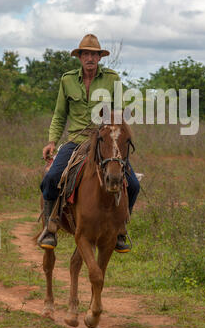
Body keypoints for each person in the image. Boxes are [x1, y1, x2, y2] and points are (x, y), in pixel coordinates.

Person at [39, 34, 140, 252]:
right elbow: (59, 115)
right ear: (80, 57)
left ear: (100, 58)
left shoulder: (112, 79)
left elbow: (118, 114)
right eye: (85, 54)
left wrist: (113, 135)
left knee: (133, 184)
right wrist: (52, 141)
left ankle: (121, 229)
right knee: (51, 178)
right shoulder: (67, 80)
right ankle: (50, 226)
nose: (90, 58)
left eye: (94, 54)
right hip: (76, 140)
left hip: (103, 141)